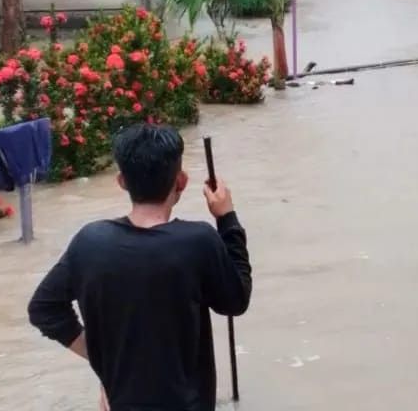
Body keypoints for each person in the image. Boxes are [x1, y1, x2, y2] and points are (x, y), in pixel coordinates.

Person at [28, 123, 252, 411]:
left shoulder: (90, 242)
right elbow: (235, 300)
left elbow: (43, 309)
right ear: (181, 181)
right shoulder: (198, 241)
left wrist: (104, 366)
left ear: (121, 181)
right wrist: (227, 220)